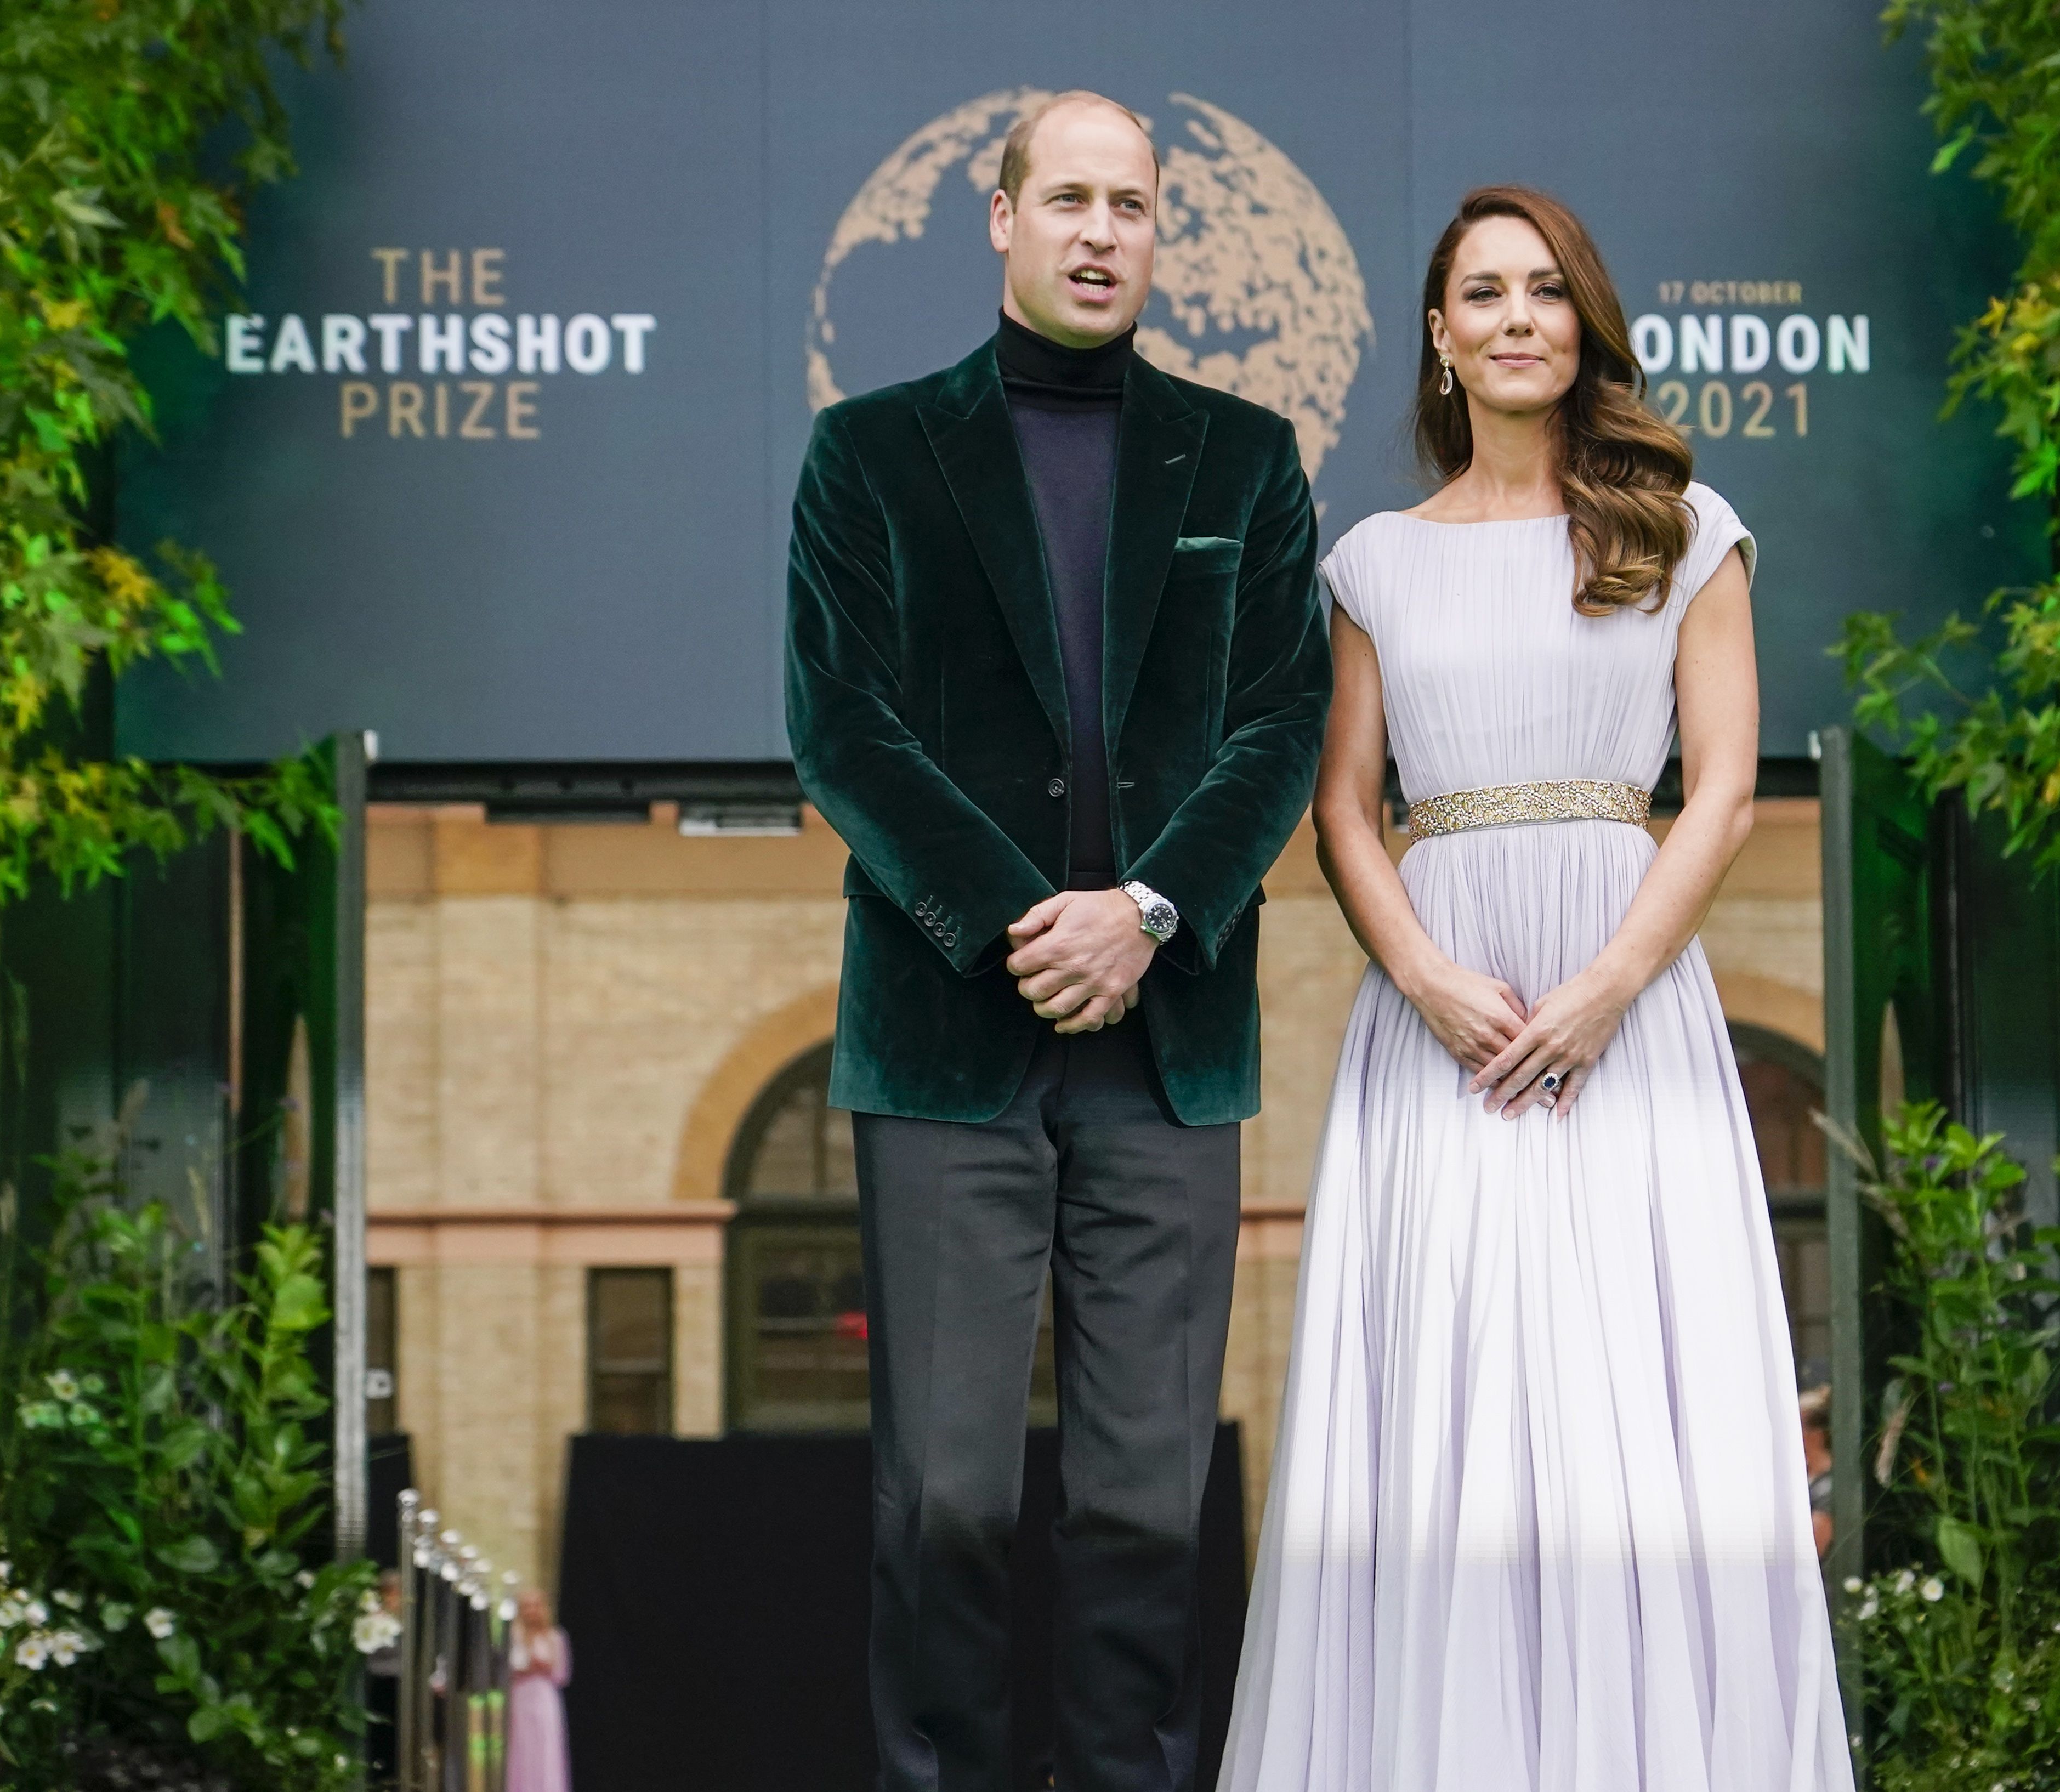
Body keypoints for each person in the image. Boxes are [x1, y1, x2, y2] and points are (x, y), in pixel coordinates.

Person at [1221, 185, 1852, 1791]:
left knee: (1627, 1411)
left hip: (1625, 1015)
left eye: (1542, 290)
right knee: (1448, 1401)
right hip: (1434, 1030)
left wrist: (1606, 989)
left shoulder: (1680, 528)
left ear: (1581, 323)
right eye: (1480, 293)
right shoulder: (1370, 562)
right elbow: (1342, 807)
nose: (1513, 317)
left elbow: (1713, 790)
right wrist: (1425, 975)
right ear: (1437, 337)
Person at [783, 90, 1330, 1792]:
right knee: (941, 1493)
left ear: (1162, 231)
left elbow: (1276, 726)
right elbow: (844, 731)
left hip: (1166, 1057)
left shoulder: (1240, 459)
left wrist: (1145, 917)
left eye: (1134, 204)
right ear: (1001, 218)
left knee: (1140, 1502)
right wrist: (1036, 925)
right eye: (1069, 199)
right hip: (948, 1043)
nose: (1102, 231)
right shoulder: (865, 453)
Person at [505, 1589, 571, 1792]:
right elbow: (504, 1670)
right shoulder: (513, 1636)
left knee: (546, 1748)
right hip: (521, 1698)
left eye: (536, 1606)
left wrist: (544, 1666)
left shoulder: (556, 1637)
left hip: (544, 1699)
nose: (531, 1611)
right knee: (522, 1748)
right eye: (527, 1606)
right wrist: (526, 1669)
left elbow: (563, 1674)